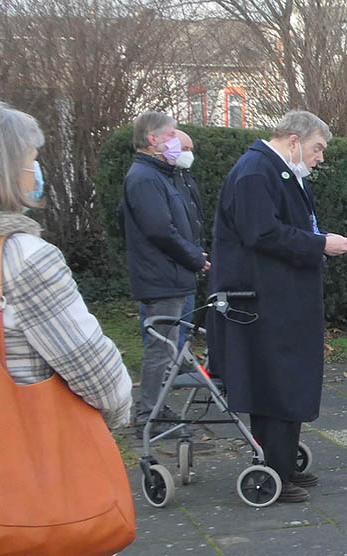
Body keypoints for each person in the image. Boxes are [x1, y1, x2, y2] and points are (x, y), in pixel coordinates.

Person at [0, 96, 132, 430]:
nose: (35, 173)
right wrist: (115, 416)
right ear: (4, 169)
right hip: (16, 452)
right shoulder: (22, 258)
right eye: (31, 160)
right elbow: (101, 380)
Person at [207, 110, 347, 504]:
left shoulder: (275, 170)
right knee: (273, 381)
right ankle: (274, 469)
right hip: (261, 301)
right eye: (316, 148)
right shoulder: (256, 172)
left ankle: (285, 464)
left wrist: (314, 240)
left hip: (280, 298)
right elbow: (263, 233)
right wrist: (319, 243)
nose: (319, 157)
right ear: (292, 140)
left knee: (289, 378)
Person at [122, 112, 209, 437]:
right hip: (162, 277)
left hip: (168, 274)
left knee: (168, 346)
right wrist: (193, 258)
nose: (175, 141)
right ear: (152, 140)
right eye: (171, 134)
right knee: (161, 348)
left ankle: (156, 409)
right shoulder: (144, 177)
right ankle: (149, 416)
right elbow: (160, 230)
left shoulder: (158, 175)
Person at [136, 128, 204, 351]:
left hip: (186, 266)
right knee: (161, 339)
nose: (188, 154)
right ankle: (162, 376)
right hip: (165, 273)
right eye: (184, 148)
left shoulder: (184, 177)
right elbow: (160, 229)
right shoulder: (153, 179)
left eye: (190, 149)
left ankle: (177, 365)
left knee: (182, 323)